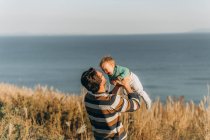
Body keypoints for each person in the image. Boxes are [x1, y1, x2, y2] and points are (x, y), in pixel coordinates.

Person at [81, 68, 141, 140]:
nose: (104, 74)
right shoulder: (111, 101)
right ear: (100, 82)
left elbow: (105, 99)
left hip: (99, 137)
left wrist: (117, 86)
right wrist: (127, 86)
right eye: (102, 75)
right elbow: (135, 105)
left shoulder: (88, 97)